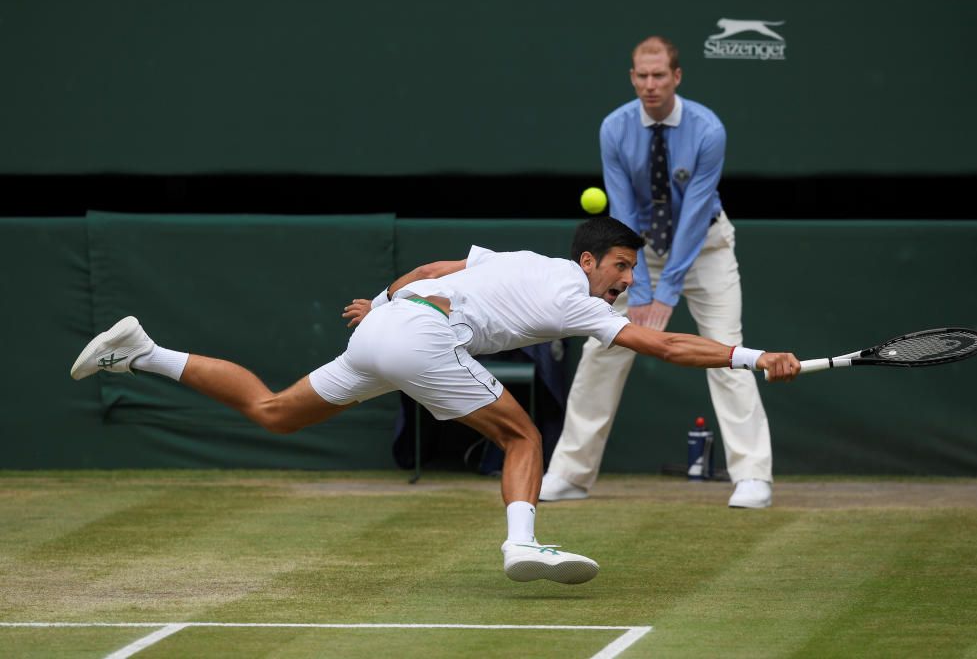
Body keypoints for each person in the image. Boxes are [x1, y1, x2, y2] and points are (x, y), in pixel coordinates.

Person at [70, 218, 800, 585]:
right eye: (618, 268)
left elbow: (434, 267)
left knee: (273, 411)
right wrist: (751, 356)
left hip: (392, 324)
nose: (624, 283)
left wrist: (384, 305)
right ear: (588, 261)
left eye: (630, 272)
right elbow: (666, 346)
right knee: (523, 440)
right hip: (423, 335)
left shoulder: (521, 261)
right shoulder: (574, 296)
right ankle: (521, 545)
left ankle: (141, 351)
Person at [540, 35, 776, 509]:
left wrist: (664, 292)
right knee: (600, 351)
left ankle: (753, 477)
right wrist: (642, 283)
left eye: (659, 76)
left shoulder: (708, 129)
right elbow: (623, 211)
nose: (650, 85)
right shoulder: (614, 128)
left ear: (676, 77)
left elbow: (692, 216)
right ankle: (569, 474)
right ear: (633, 78)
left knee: (727, 349)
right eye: (642, 76)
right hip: (637, 251)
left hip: (705, 245)